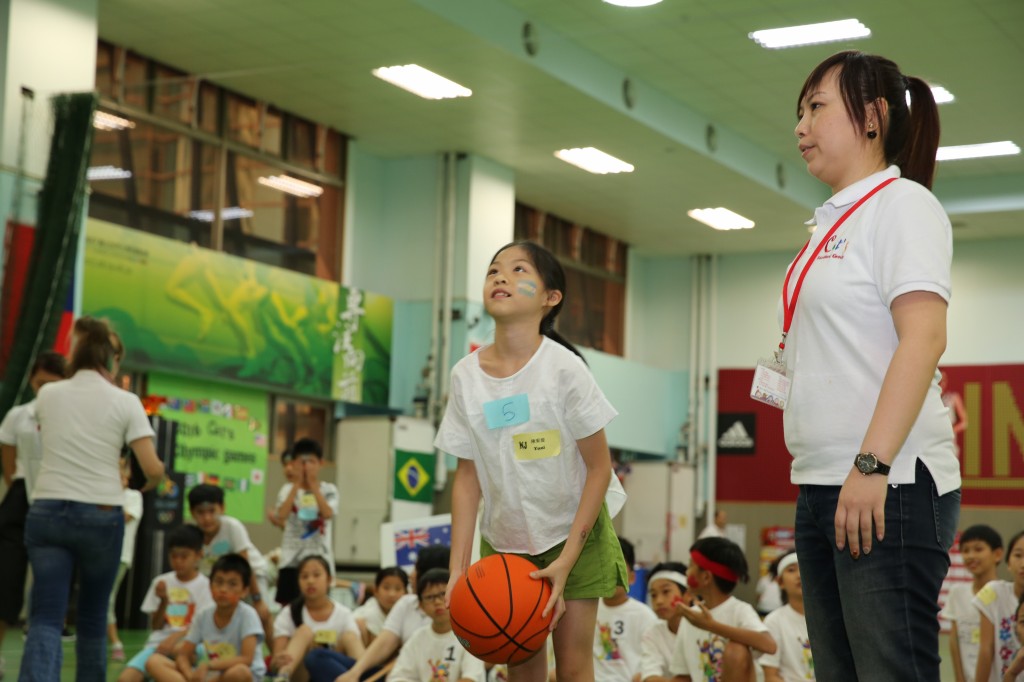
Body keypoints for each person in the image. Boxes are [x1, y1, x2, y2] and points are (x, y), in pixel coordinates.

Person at [778, 50, 961, 681]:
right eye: (800, 112)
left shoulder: (903, 205)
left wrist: (871, 464)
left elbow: (924, 339)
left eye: (816, 107)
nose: (800, 127)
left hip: (889, 482)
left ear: (873, 116)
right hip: (822, 483)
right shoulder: (826, 226)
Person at [435, 240, 629, 682]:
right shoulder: (464, 376)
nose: (500, 277)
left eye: (519, 269)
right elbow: (466, 478)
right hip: (505, 543)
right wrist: (457, 570)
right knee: (521, 669)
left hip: (572, 536)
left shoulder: (565, 369)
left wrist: (567, 560)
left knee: (573, 670)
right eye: (493, 270)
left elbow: (600, 469)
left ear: (550, 297)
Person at [17, 317, 165, 681]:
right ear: (111, 356)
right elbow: (152, 467)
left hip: (48, 508)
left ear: (76, 350)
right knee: (94, 615)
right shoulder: (126, 401)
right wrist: (146, 482)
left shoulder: (49, 394)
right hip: (101, 512)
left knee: (46, 615)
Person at [0, 350, 65, 674]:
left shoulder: (70, 417)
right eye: (41, 384)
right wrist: (20, 486)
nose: (45, 391)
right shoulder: (18, 415)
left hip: (57, 498)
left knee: (49, 581)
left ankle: (40, 657)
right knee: (6, 576)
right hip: (21, 498)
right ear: (31, 381)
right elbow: (8, 462)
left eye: (53, 384)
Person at [335, 544, 451, 682]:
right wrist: (354, 673)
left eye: (416, 568)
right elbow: (384, 642)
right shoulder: (406, 603)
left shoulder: (454, 614)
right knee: (320, 657)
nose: (411, 575)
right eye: (430, 598)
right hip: (399, 674)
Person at [668, 537, 775, 682]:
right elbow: (683, 675)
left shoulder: (739, 610)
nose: (687, 573)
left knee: (736, 650)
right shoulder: (692, 616)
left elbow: (769, 645)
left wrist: (710, 625)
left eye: (690, 565)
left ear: (706, 577)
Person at [148, 553, 267, 681]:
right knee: (154, 661)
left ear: (244, 591)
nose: (223, 589)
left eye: (232, 584)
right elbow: (183, 655)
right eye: (219, 582)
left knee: (239, 672)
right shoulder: (203, 615)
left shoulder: (248, 615)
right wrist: (190, 675)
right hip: (212, 676)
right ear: (210, 586)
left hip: (240, 675)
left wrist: (208, 665)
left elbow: (246, 659)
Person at [119, 524, 214, 682]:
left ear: (199, 555)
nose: (178, 561)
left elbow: (202, 626)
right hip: (157, 645)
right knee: (126, 679)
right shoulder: (161, 582)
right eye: (174, 556)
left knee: (179, 651)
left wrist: (173, 638)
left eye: (184, 557)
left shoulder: (206, 586)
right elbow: (155, 626)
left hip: (190, 644)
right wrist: (164, 600)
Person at [187, 483, 273, 642]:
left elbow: (246, 564)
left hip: (252, 575)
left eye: (212, 511)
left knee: (262, 615)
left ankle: (275, 653)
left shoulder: (232, 527)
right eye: (200, 512)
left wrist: (258, 600)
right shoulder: (193, 536)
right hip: (223, 582)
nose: (207, 518)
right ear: (192, 512)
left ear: (222, 508)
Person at [270, 555, 364, 681]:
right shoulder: (288, 613)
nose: (310, 581)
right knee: (304, 631)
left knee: (350, 636)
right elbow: (275, 663)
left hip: (338, 676)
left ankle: (365, 676)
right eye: (304, 576)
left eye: (316, 575)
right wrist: (279, 661)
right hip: (302, 676)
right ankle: (283, 678)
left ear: (329, 580)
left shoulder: (344, 614)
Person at [387, 568, 486, 682]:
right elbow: (397, 678)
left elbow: (471, 678)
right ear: (421, 606)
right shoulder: (417, 638)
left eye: (443, 594)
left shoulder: (470, 636)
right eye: (430, 597)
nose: (437, 602)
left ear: (457, 595)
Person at [274, 437, 339, 606]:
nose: (306, 466)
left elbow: (327, 513)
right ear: (294, 463)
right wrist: (297, 485)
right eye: (301, 462)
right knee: (288, 608)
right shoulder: (287, 490)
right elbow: (281, 515)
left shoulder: (329, 489)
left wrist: (313, 486)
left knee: (318, 606)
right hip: (291, 560)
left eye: (311, 461)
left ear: (320, 463)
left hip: (319, 558)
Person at [940, 525, 1004, 682]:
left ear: (997, 554)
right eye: (965, 550)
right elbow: (954, 640)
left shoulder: (1006, 593)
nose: (970, 556)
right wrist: (959, 678)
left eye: (978, 549)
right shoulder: (957, 593)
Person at [593, 537, 657, 682]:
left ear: (632, 578)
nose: (611, 575)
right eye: (605, 567)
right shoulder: (587, 611)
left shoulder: (645, 616)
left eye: (618, 569)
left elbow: (652, 662)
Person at [108, 456, 145, 662]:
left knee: (107, 599)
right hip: (98, 553)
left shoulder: (133, 497)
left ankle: (116, 643)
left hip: (120, 556)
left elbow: (121, 518)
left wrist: (112, 493)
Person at [975, 530, 1024, 682]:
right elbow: (986, 648)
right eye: (1018, 555)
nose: (1023, 564)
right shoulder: (994, 593)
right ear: (1008, 563)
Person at [760, 552, 814, 682]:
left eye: (804, 567)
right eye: (791, 570)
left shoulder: (830, 619)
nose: (799, 575)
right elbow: (770, 676)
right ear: (780, 582)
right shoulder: (774, 621)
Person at [638, 561, 688, 682]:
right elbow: (650, 677)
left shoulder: (703, 627)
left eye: (666, 592)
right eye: (653, 595)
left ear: (688, 594)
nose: (659, 601)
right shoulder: (653, 633)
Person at [352, 566, 410, 646]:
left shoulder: (410, 615)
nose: (391, 594)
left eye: (398, 589)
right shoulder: (362, 615)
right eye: (386, 588)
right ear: (376, 590)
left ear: (406, 593)